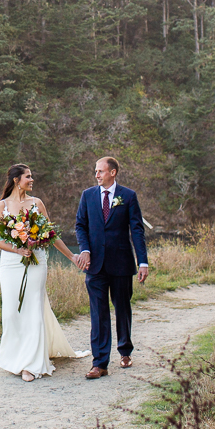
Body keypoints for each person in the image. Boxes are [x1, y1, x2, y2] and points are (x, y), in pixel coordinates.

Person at [0, 163, 84, 381]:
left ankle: (31, 365)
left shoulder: (37, 203)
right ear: (16, 180)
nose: (32, 180)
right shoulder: (2, 205)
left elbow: (50, 234)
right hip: (11, 263)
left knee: (33, 309)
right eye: (28, 176)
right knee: (12, 312)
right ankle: (14, 359)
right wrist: (18, 248)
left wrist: (72, 256)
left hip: (36, 261)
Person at [74, 156, 149, 379]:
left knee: (122, 308)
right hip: (94, 265)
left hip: (121, 263)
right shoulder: (88, 195)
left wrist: (142, 261)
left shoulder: (128, 196)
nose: (96, 175)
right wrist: (85, 249)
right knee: (98, 313)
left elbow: (137, 230)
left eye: (100, 171)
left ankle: (125, 349)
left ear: (113, 172)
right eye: (95, 171)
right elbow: (80, 225)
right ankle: (100, 363)